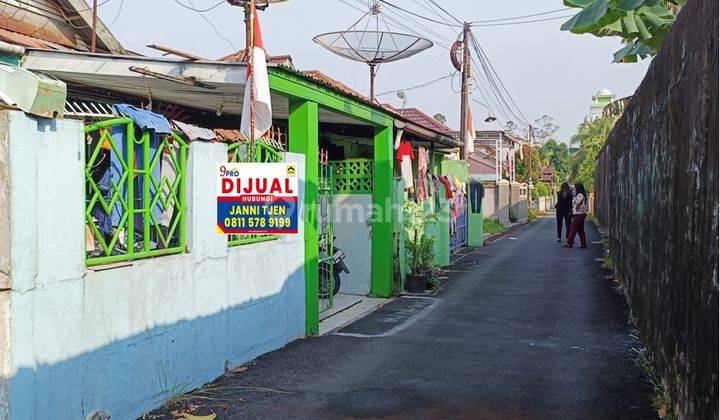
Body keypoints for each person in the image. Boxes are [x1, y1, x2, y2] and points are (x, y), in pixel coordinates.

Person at [564, 182, 588, 248]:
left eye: (575, 188)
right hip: (581, 214)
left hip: (578, 214)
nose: (574, 189)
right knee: (580, 230)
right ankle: (583, 244)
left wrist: (574, 198)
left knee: (573, 229)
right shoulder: (581, 194)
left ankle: (569, 243)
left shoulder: (580, 195)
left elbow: (577, 202)